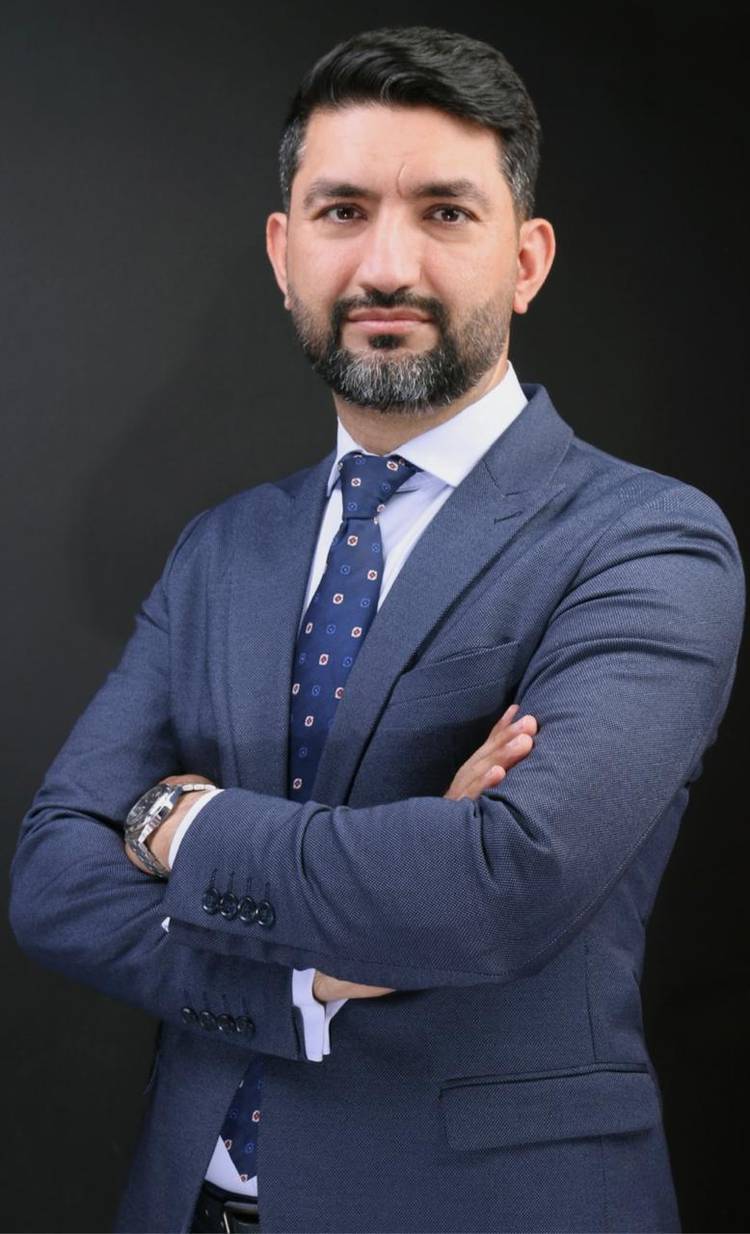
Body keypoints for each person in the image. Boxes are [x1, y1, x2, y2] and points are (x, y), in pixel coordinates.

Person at [9, 24, 744, 1234]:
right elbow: (50, 878)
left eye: (446, 213)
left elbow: (500, 884)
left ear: (527, 259)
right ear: (284, 252)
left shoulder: (648, 542)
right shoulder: (222, 548)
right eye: (343, 212)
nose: (386, 264)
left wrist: (177, 823)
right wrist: (301, 981)